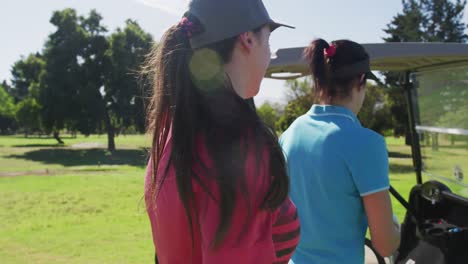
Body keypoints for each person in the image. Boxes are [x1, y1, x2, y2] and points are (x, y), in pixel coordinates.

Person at [142, 1, 299, 263]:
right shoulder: (236, 149)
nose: (269, 56)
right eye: (267, 41)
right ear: (248, 39)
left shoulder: (173, 133)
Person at [280, 39, 400, 264]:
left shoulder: (290, 134)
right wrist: (396, 228)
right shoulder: (366, 143)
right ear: (360, 81)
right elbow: (385, 245)